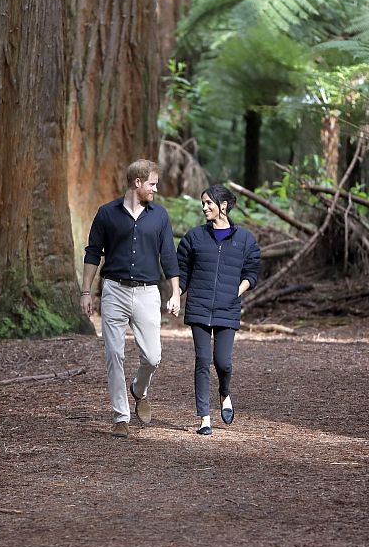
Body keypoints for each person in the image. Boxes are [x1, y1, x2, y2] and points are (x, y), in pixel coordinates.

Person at [80, 159, 181, 438]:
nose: (156, 189)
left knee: (153, 356)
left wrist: (175, 292)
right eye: (152, 184)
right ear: (137, 183)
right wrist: (86, 291)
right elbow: (92, 254)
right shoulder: (106, 214)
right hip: (114, 290)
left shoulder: (159, 216)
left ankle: (139, 389)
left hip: (148, 292)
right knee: (114, 353)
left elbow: (169, 256)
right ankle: (121, 416)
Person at [176, 184, 261, 436]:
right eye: (203, 203)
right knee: (202, 360)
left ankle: (224, 393)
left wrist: (235, 292)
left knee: (222, 361)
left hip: (228, 308)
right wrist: (175, 294)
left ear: (223, 206)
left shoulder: (245, 240)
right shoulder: (194, 237)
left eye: (209, 203)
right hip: (199, 307)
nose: (204, 208)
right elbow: (182, 272)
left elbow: (252, 272)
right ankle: (204, 417)